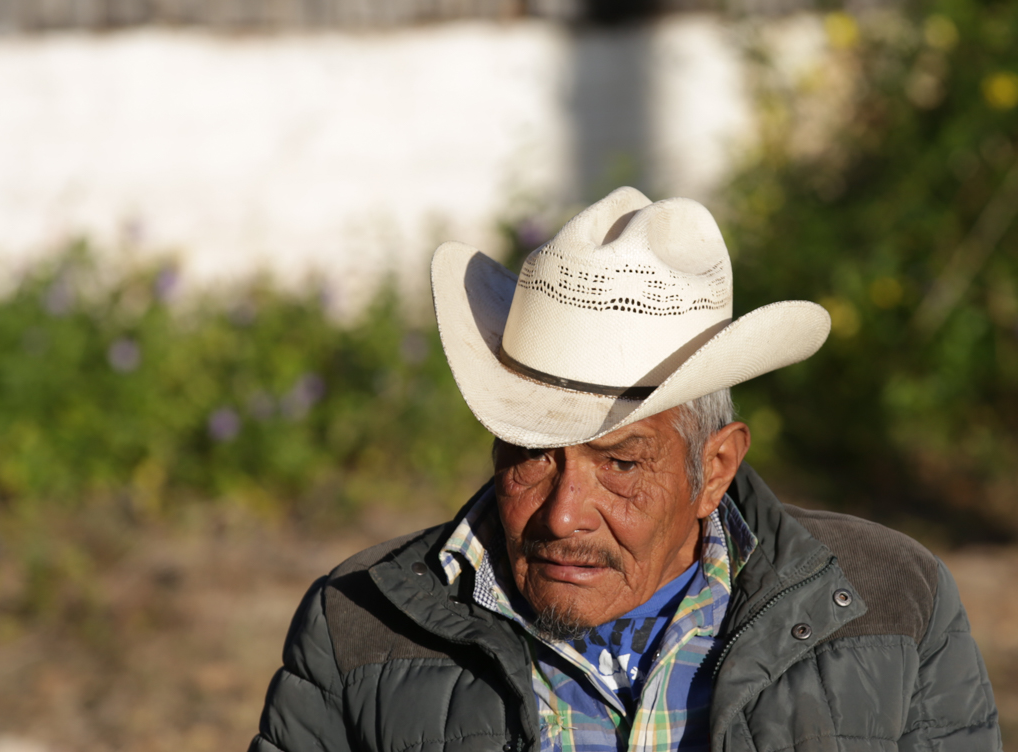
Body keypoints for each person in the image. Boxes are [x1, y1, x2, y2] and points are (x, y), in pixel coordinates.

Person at [249, 188, 1001, 752]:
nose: (563, 514)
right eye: (532, 454)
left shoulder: (894, 607)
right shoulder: (358, 630)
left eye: (619, 464)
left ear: (714, 468)